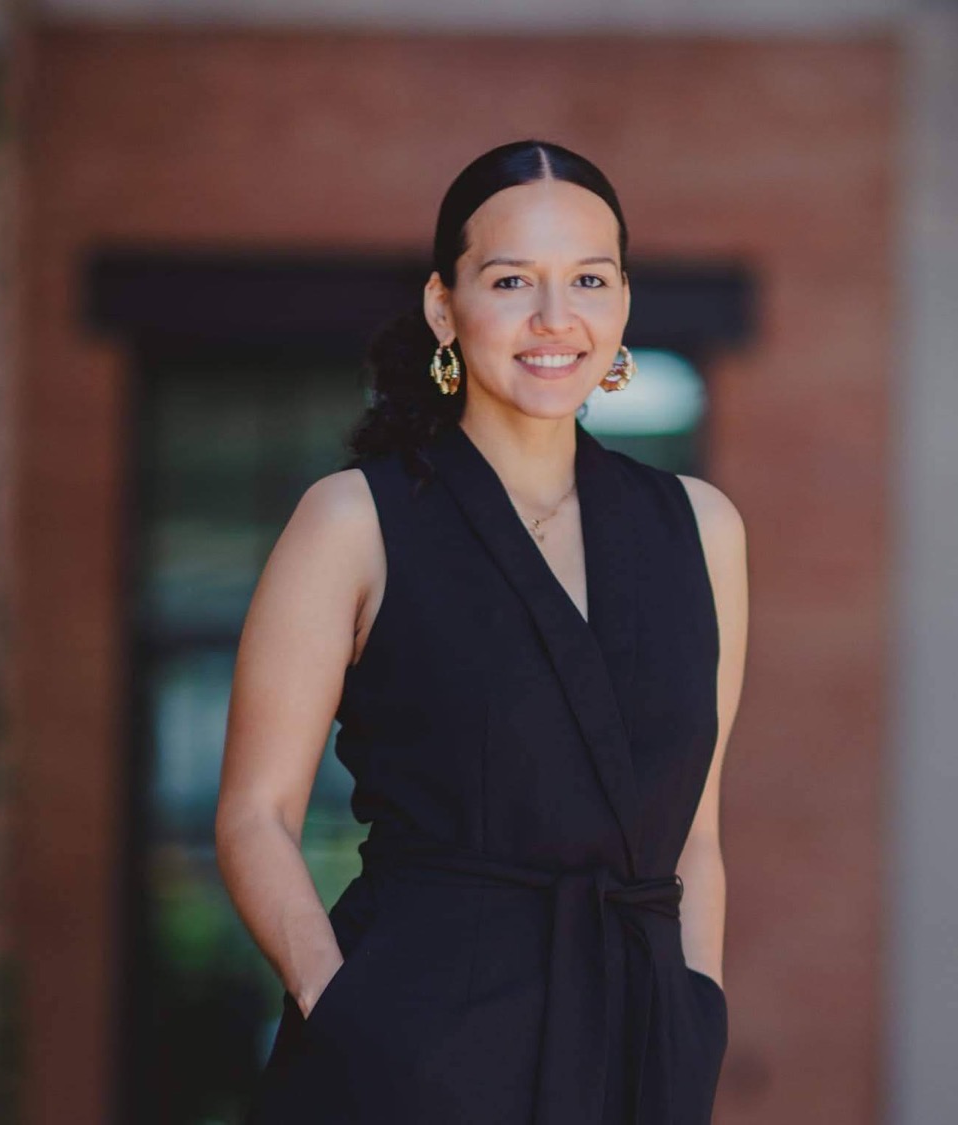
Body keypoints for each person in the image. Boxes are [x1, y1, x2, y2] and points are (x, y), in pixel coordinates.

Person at [215, 138, 749, 1125]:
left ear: (624, 301)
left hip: (637, 1058)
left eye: (589, 278)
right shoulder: (352, 520)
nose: (556, 319)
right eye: (512, 281)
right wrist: (349, 1016)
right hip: (405, 1059)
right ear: (442, 307)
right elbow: (254, 816)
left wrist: (696, 1013)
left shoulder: (703, 530)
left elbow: (698, 835)